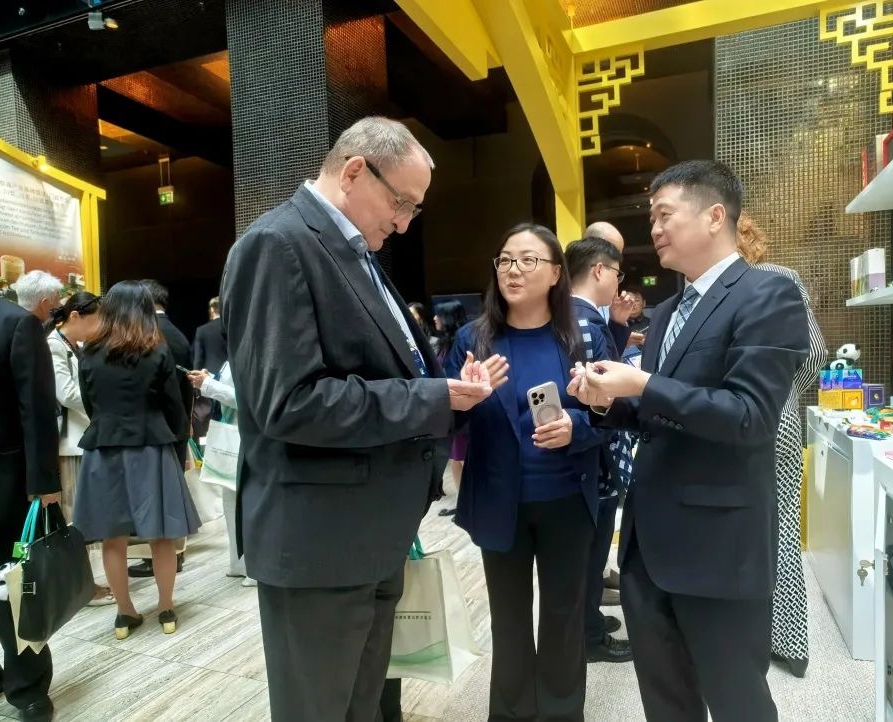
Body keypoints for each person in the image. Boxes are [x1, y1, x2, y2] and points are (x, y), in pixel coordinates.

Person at [220, 116, 493, 722]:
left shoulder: (352, 251)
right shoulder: (279, 244)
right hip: (320, 542)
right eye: (401, 203)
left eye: (414, 209)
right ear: (353, 172)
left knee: (362, 706)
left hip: (369, 532)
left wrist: (443, 388)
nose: (404, 223)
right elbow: (288, 402)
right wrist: (431, 398)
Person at [568, 160, 809, 722]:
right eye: (651, 217)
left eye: (664, 215)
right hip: (647, 544)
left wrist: (643, 384)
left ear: (714, 216)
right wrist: (607, 402)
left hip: (719, 546)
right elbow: (660, 415)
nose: (653, 229)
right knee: (666, 702)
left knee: (737, 702)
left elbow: (750, 416)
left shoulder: (767, 294)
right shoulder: (668, 313)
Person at [445, 223, 608, 721]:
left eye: (528, 260)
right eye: (505, 260)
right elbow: (445, 421)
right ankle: (512, 713)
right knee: (509, 619)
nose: (513, 270)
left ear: (556, 273)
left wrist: (577, 427)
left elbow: (614, 412)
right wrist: (464, 396)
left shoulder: (582, 338)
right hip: (501, 501)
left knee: (564, 616)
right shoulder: (473, 340)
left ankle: (562, 711)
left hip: (567, 500)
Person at [73, 280, 201, 640]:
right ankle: (166, 609)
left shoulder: (89, 353)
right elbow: (174, 406)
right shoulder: (156, 350)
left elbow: (90, 404)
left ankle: (124, 614)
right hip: (151, 448)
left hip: (103, 450)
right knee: (161, 535)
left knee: (112, 538)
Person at [736, 212, 827, 678]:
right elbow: (816, 353)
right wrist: (785, 393)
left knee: (738, 529)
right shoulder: (784, 278)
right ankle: (790, 642)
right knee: (784, 525)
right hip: (782, 421)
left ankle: (743, 635)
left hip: (732, 424)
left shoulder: (720, 290)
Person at [0, 235, 60, 722]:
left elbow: (37, 410)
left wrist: (43, 485)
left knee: (11, 592)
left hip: (0, 486)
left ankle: (28, 686)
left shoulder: (12, 323)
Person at [565, 236, 635, 665]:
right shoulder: (587, 324)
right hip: (597, 459)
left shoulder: (572, 317)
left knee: (588, 553)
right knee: (591, 555)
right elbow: (598, 397)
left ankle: (589, 621)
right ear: (598, 270)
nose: (617, 283)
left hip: (586, 457)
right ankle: (589, 636)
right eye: (616, 273)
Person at [46, 291, 114, 606]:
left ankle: (84, 584)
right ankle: (81, 588)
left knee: (82, 516)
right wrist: (101, 406)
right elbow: (67, 393)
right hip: (69, 444)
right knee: (74, 518)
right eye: (94, 321)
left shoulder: (77, 345)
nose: (97, 327)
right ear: (74, 316)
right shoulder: (53, 345)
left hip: (83, 437)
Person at [131, 279, 190, 578]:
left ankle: (163, 558)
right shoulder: (177, 333)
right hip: (176, 425)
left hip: (156, 428)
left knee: (158, 500)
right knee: (170, 497)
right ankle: (173, 555)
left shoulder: (149, 334)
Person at [186, 362, 254, 586]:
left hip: (245, 436)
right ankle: (239, 563)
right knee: (231, 502)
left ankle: (254, 567)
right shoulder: (235, 351)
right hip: (233, 435)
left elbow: (247, 400)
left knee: (246, 503)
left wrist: (209, 385)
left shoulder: (251, 352)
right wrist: (211, 379)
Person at [432, 300, 469, 518]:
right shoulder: (443, 343)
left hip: (463, 410)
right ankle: (462, 504)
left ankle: (471, 504)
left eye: (438, 315)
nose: (434, 318)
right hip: (449, 409)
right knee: (455, 458)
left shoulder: (463, 343)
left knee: (464, 458)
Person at [584, 221, 635, 350]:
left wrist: (619, 328)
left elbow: (608, 350)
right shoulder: (567, 297)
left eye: (619, 254)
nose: (617, 260)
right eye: (613, 252)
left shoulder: (609, 295)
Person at [191, 296, 227, 442]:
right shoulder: (230, 328)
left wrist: (196, 385)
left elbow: (198, 359)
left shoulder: (202, 330)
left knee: (207, 420)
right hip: (229, 378)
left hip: (208, 379)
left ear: (212, 310)